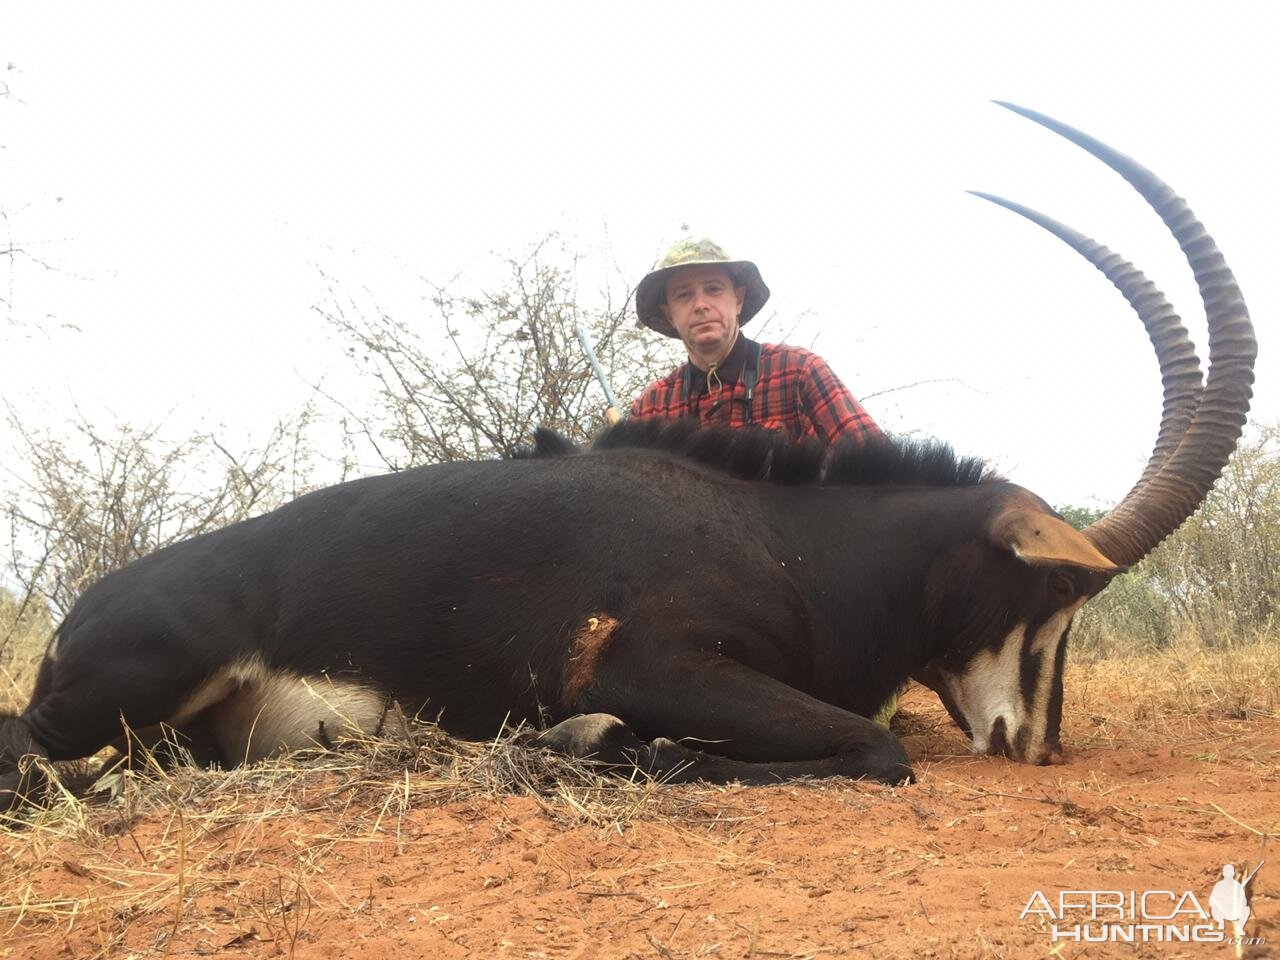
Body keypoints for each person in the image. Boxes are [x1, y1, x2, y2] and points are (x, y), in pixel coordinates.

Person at [630, 237, 881, 446]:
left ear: (738, 299)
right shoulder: (650, 407)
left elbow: (879, 471)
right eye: (684, 295)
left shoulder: (799, 371)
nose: (700, 305)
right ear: (669, 315)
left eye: (714, 289)